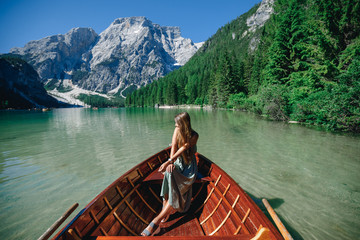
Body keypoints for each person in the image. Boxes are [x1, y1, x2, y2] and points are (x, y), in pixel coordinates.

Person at [141, 112, 199, 236]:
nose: (175, 125)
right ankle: (164, 205)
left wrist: (168, 161)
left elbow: (183, 147)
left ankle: (156, 220)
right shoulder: (177, 130)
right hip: (177, 161)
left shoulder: (194, 135)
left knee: (176, 180)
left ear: (183, 124)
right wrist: (171, 163)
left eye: (177, 123)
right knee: (169, 173)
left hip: (189, 167)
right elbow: (173, 146)